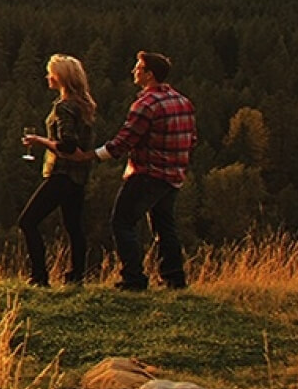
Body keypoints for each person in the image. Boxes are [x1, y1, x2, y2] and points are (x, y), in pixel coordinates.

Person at [65, 51, 196, 290]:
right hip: (174, 175)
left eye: (138, 68)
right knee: (165, 226)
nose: (133, 71)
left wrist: (90, 155)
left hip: (148, 173)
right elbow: (191, 138)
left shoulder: (146, 105)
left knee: (122, 222)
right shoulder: (182, 101)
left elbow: (123, 142)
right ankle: (174, 278)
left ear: (149, 75)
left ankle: (134, 278)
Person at [18, 55, 97, 288]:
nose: (47, 77)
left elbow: (67, 144)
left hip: (62, 174)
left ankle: (39, 277)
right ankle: (76, 276)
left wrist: (39, 140)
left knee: (28, 221)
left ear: (61, 77)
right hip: (80, 176)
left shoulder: (64, 107)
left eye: (51, 73)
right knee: (74, 226)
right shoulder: (85, 106)